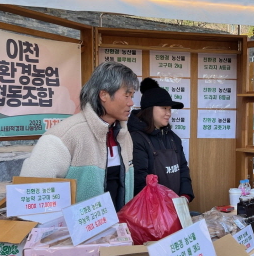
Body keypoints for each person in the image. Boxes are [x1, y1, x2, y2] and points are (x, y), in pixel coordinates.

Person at [20, 62, 139, 210]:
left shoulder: (123, 134)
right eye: (127, 95)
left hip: (118, 223)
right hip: (78, 225)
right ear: (104, 95)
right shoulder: (63, 136)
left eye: (132, 96)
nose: (131, 103)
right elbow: (29, 195)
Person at [127, 77, 194, 201]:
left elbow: (183, 169)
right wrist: (160, 205)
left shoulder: (174, 138)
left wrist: (185, 196)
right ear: (150, 109)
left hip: (175, 206)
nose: (169, 113)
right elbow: (139, 179)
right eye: (164, 108)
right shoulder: (137, 139)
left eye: (169, 109)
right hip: (151, 207)